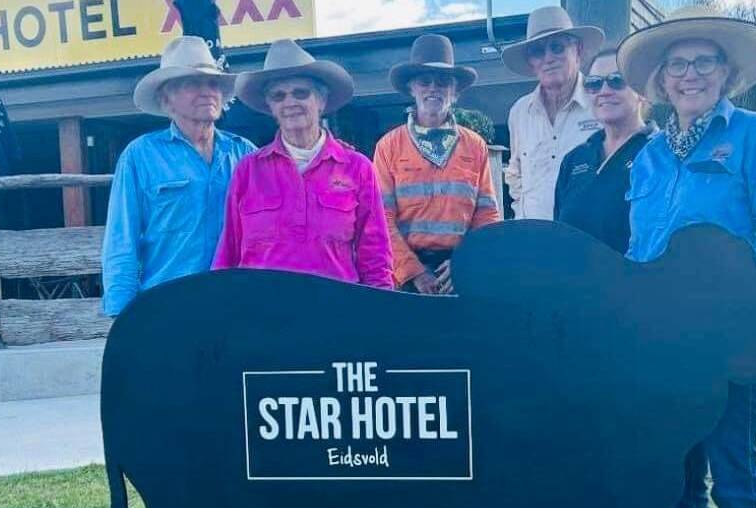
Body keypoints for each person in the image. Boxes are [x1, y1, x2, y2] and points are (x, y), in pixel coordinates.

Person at [617, 6, 756, 508]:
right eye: (678, 65)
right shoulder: (648, 156)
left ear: (725, 73)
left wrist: (747, 318)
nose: (690, 74)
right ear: (661, 80)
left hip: (732, 346)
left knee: (736, 481)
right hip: (663, 347)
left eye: (704, 62)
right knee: (677, 484)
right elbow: (639, 250)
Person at [212, 39, 393, 290]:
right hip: (259, 316)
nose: (289, 102)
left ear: (321, 100)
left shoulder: (357, 168)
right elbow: (228, 253)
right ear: (270, 106)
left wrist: (381, 317)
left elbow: (375, 255)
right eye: (278, 95)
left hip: (334, 314)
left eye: (300, 92)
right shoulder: (248, 170)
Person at [102, 36, 256, 316]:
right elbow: (121, 240)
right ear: (166, 99)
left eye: (213, 84)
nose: (207, 91)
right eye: (192, 83)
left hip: (236, 305)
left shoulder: (245, 154)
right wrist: (121, 315)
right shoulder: (140, 156)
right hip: (167, 308)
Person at [375, 34, 500, 293]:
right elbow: (381, 219)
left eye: (443, 82)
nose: (434, 88)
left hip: (461, 271)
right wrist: (414, 272)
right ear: (412, 88)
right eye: (425, 81)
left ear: (454, 92)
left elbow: (487, 215)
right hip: (407, 278)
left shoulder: (475, 145)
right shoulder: (388, 146)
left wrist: (466, 263)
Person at [502, 5, 605, 220]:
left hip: (587, 242)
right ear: (531, 63)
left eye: (557, 47)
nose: (548, 58)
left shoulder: (602, 101)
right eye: (538, 51)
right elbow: (515, 173)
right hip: (533, 242)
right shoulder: (519, 112)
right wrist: (523, 212)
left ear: (578, 50)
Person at [553, 48, 655, 254]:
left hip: (634, 283)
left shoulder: (660, 156)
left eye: (617, 80)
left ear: (642, 91)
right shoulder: (574, 160)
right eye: (594, 83)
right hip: (574, 284)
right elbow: (558, 234)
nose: (604, 91)